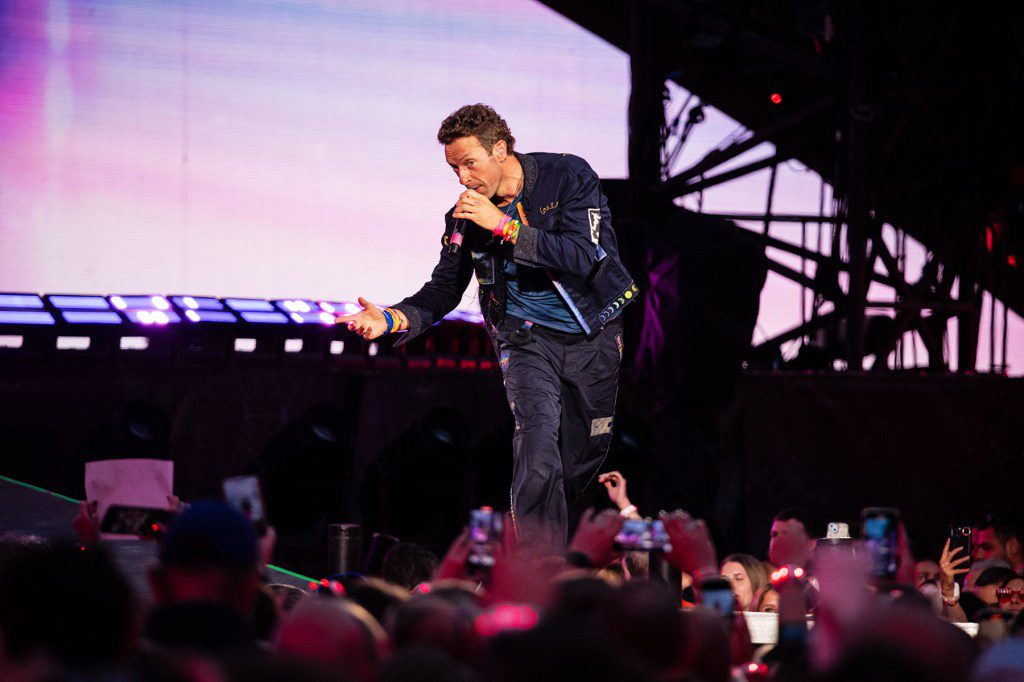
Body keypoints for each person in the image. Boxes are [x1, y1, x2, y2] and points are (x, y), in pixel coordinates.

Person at [338, 104, 637, 546]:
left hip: (593, 336)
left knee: (579, 457)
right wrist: (392, 317)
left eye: (469, 163)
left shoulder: (567, 176)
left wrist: (504, 226)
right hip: (525, 339)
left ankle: (559, 547)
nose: (463, 179)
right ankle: (537, 562)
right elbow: (443, 290)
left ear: (499, 150)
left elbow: (582, 257)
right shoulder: (464, 218)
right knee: (537, 441)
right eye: (454, 169)